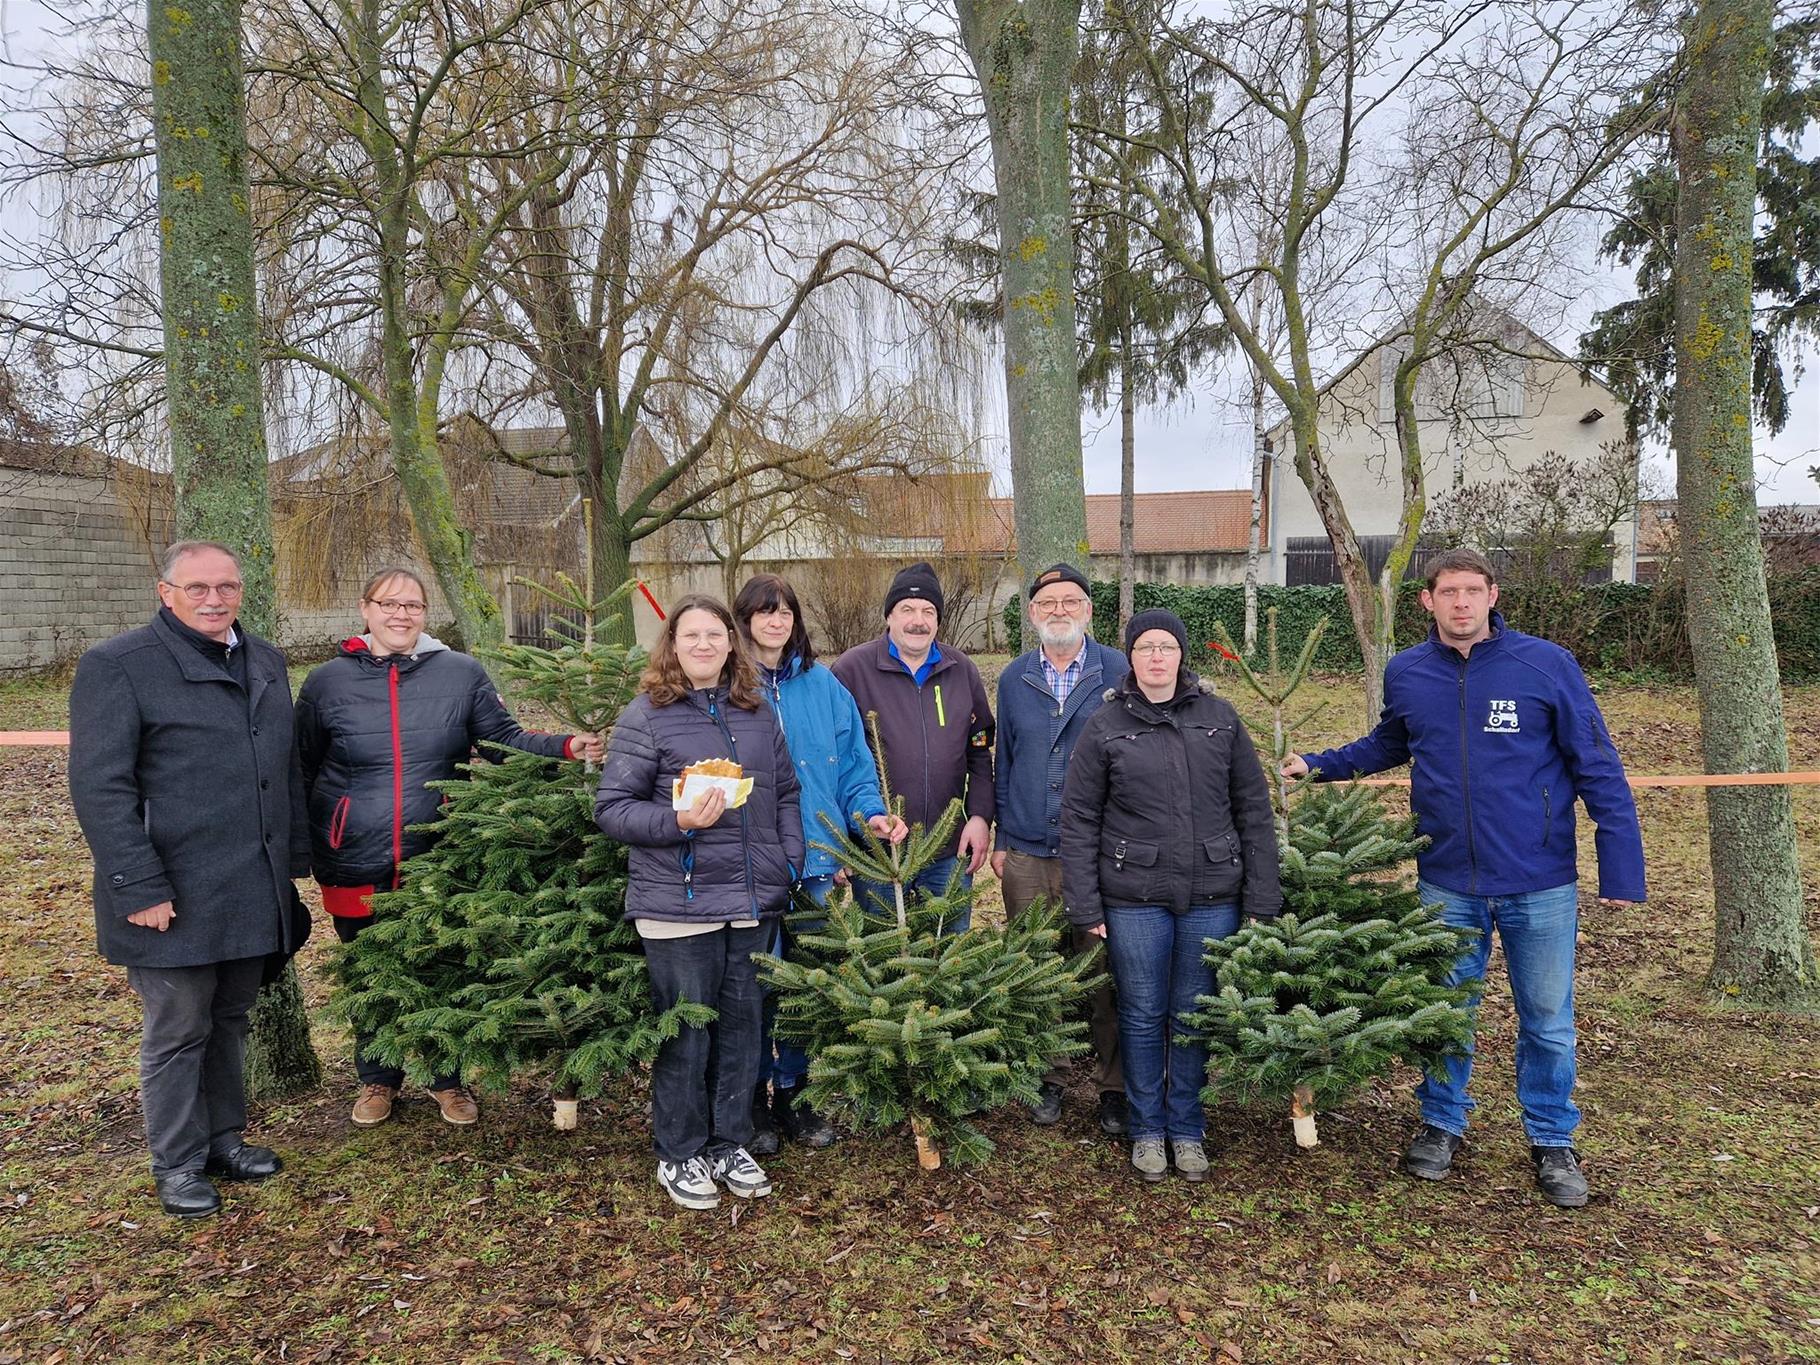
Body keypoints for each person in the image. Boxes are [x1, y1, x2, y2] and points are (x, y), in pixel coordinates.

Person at [1282, 548, 1645, 1209]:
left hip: (1539, 878)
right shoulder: (1408, 671)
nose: (1461, 602)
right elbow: (1390, 742)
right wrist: (1319, 764)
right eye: (1448, 591)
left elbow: (1596, 762)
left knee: (1547, 1019)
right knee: (1446, 1011)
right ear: (1428, 600)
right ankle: (1441, 1122)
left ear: (1492, 595)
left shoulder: (1545, 665)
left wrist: (1621, 865)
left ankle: (1552, 1138)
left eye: (1473, 590)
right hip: (1447, 877)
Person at [294, 566, 602, 1128]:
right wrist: (315, 839)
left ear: (424, 613)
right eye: (388, 603)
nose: (400, 614)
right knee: (366, 967)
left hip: (439, 852)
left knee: (442, 964)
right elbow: (305, 766)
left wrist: (565, 747)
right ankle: (377, 1078)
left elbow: (503, 740)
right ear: (365, 609)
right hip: (352, 853)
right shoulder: (326, 682)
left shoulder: (460, 672)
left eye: (412, 605)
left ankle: (447, 1079)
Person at [68, 541, 311, 1219]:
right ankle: (176, 1162)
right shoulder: (119, 665)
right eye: (197, 587)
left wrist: (291, 865)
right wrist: (138, 885)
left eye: (226, 586)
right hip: (167, 891)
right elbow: (101, 787)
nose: (214, 599)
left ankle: (223, 1139)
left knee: (229, 1018)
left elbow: (282, 767)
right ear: (165, 591)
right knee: (178, 1028)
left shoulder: (265, 659)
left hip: (249, 884)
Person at [594, 594, 803, 1211]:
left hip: (750, 900)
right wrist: (678, 821)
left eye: (715, 634)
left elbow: (785, 792)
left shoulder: (756, 713)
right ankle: (679, 1151)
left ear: (731, 643)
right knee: (687, 1031)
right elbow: (613, 809)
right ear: (673, 645)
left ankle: (727, 1141)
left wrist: (788, 859)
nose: (705, 645)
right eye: (692, 635)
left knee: (742, 1029)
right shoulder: (647, 715)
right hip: (677, 903)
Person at [1060, 609, 1281, 1183]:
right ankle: (1146, 1129)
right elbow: (1079, 819)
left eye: (1166, 647)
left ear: (1182, 655)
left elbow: (1254, 811)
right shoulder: (1105, 725)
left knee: (1192, 1014)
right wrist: (1085, 904)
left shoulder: (1220, 719)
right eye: (1145, 648)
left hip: (1213, 893)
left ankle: (1187, 1127)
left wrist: (1261, 897)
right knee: (1141, 1014)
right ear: (1130, 657)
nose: (1156, 657)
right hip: (1134, 897)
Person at [733, 573, 908, 1154]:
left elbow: (855, 766)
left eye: (785, 612)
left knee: (810, 985)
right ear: (745, 620)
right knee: (755, 985)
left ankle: (796, 1094)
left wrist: (869, 818)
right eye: (765, 612)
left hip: (817, 864)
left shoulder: (824, 685)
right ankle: (752, 1097)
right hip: (750, 865)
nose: (776, 621)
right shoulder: (729, 687)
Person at [990, 564, 1129, 1135]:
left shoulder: (1118, 670)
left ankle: (1115, 1085)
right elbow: (1003, 760)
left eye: (1070, 601)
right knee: (1035, 969)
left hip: (1097, 852)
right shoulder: (1015, 678)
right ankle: (1047, 1074)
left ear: (1088, 610)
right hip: (1027, 849)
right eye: (1047, 603)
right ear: (1032, 614)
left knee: (1104, 972)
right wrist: (1003, 837)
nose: (1059, 611)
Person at [829, 562, 994, 930]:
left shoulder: (961, 670)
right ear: (889, 615)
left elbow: (980, 751)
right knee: (885, 955)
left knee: (949, 950)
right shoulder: (852, 670)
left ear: (938, 620)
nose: (918, 621)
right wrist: (840, 841)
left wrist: (980, 817)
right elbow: (833, 761)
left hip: (947, 850)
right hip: (877, 854)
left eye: (928, 611)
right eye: (907, 609)